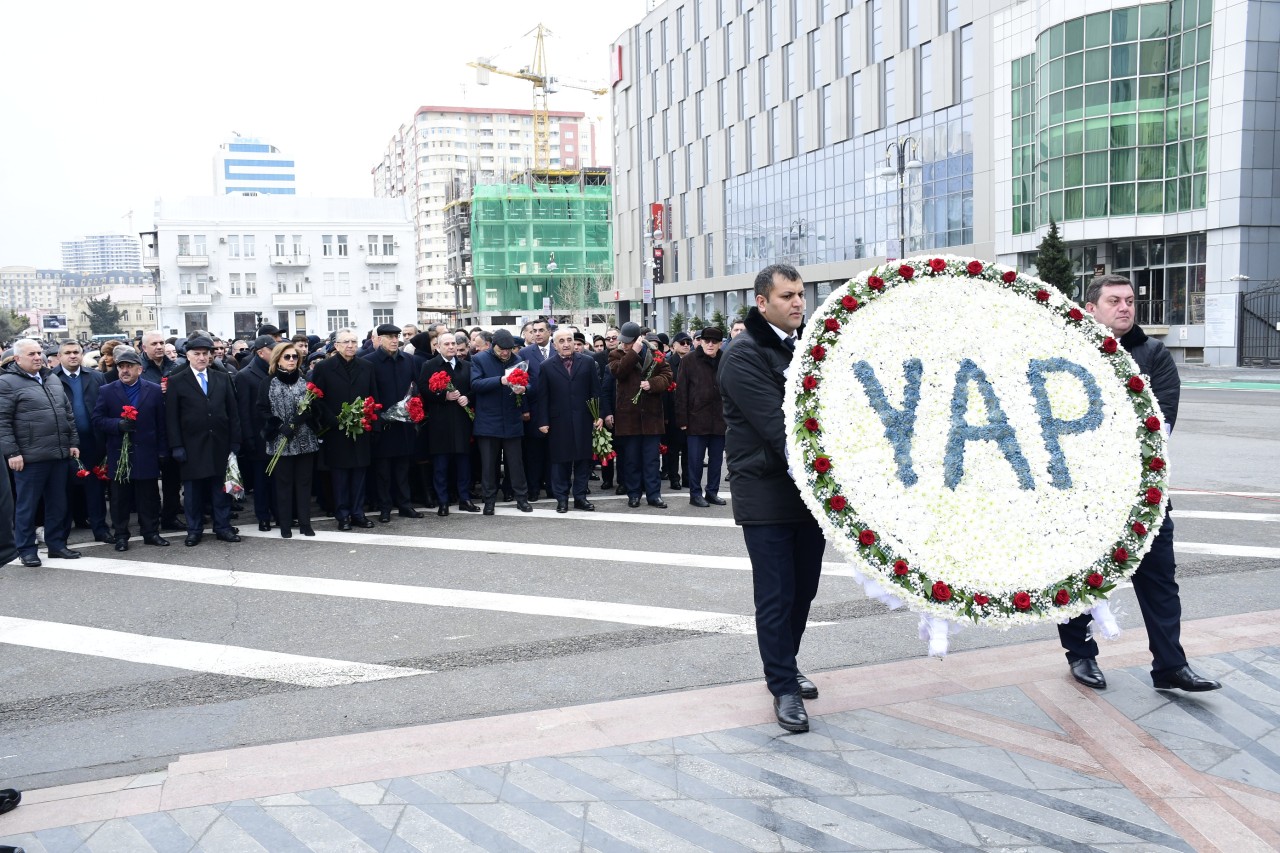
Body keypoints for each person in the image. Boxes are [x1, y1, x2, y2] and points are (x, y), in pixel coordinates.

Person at [1058, 274, 1221, 693]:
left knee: (1160, 579)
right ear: (1090, 309)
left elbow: (1161, 423)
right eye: (1114, 300)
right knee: (1080, 575)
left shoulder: (1154, 354)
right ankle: (1081, 656)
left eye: (1130, 300)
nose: (1125, 307)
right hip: (1082, 491)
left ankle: (1171, 665)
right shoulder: (1065, 352)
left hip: (1143, 493)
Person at [719, 264, 825, 733]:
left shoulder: (805, 347)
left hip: (809, 492)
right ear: (762, 303)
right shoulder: (743, 355)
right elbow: (778, 427)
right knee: (777, 592)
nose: (798, 303)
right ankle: (781, 685)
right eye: (787, 296)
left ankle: (787, 661)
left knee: (804, 588)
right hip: (765, 489)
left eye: (801, 294)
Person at [0, 339, 83, 566]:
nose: (38, 357)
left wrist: (72, 442)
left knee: (58, 504)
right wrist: (12, 452)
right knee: (28, 506)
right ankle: (26, 549)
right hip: (29, 458)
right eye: (32, 354)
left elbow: (67, 414)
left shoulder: (52, 378)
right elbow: (2, 421)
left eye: (39, 353)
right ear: (17, 359)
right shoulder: (6, 383)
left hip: (58, 454)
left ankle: (57, 545)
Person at [165, 336, 242, 546]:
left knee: (221, 489)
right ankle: (194, 529)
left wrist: (235, 441)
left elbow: (232, 412)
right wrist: (176, 445)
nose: (202, 357)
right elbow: (171, 417)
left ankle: (223, 527)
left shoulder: (221, 378)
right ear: (188, 356)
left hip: (220, 443)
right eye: (197, 354)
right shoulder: (177, 380)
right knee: (193, 492)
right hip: (191, 446)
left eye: (205, 354)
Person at [90, 347, 169, 550]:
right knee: (119, 498)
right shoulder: (107, 391)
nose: (124, 371)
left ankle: (151, 532)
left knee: (149, 496)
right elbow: (97, 420)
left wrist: (162, 451)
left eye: (129, 367)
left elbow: (162, 423)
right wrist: (117, 425)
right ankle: (121, 535)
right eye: (121, 367)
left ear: (139, 369)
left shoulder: (152, 390)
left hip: (147, 452)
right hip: (119, 453)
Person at [310, 328, 377, 529]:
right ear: (337, 346)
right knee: (339, 475)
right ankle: (343, 515)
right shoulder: (324, 368)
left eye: (353, 342)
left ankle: (358, 513)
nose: (350, 345)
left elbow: (373, 396)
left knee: (359, 473)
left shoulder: (367, 366)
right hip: (336, 429)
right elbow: (316, 398)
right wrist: (332, 420)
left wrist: (368, 418)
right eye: (346, 342)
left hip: (360, 428)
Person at [535, 327, 607, 512]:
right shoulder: (546, 366)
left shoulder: (588, 362)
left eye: (569, 340)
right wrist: (543, 421)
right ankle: (562, 499)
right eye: (562, 341)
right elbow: (542, 397)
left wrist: (598, 415)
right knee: (560, 462)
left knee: (583, 460)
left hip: (583, 419)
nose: (566, 344)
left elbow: (596, 391)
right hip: (558, 421)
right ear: (555, 345)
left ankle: (581, 497)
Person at [258, 342, 320, 538]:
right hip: (280, 440)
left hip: (304, 439)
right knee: (283, 484)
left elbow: (314, 406)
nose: (292, 360)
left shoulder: (304, 381)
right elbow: (261, 409)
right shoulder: (268, 382)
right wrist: (278, 425)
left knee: (304, 484)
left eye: (295, 357)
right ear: (278, 359)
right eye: (287, 357)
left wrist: (305, 415)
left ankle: (305, 523)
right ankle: (285, 525)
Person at [609, 322, 673, 509]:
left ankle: (654, 495)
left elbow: (668, 375)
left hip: (651, 417)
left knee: (652, 460)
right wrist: (633, 352)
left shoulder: (655, 354)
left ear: (638, 338)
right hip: (629, 418)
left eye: (629, 342)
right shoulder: (615, 354)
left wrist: (652, 384)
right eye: (624, 341)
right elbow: (619, 372)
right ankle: (634, 494)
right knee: (631, 460)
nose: (625, 344)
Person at [54, 339, 111, 543]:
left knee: (95, 488)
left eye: (76, 352)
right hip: (63, 444)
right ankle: (61, 536)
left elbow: (106, 406)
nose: (72, 356)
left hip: (92, 442)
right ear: (59, 356)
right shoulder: (51, 379)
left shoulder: (97, 377)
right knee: (63, 490)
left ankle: (101, 529)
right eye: (67, 352)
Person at [365, 323, 423, 522]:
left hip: (404, 424)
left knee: (403, 468)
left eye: (396, 336)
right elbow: (368, 394)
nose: (394, 340)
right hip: (382, 424)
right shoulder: (369, 361)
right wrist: (378, 418)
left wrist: (413, 406)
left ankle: (405, 505)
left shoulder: (408, 359)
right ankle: (385, 508)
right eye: (389, 337)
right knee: (383, 472)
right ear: (379, 339)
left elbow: (416, 387)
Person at [471, 329, 532, 515]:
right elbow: (475, 385)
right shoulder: (480, 359)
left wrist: (524, 388)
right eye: (501, 349)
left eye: (509, 349)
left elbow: (530, 383)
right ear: (491, 345)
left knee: (516, 464)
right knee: (489, 466)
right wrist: (500, 380)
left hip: (512, 420)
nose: (506, 353)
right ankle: (489, 501)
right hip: (489, 422)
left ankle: (522, 498)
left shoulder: (517, 361)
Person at [418, 333, 479, 515]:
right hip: (440, 422)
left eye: (453, 343)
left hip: (461, 421)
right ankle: (443, 501)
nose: (451, 347)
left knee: (463, 464)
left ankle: (464, 499)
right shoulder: (429, 366)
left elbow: (475, 388)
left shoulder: (467, 365)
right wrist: (443, 396)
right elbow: (423, 390)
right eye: (447, 344)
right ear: (438, 347)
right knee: (441, 465)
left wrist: (467, 398)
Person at [675, 327, 727, 507]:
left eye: (714, 341)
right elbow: (681, 391)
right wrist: (682, 419)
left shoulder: (725, 359)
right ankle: (695, 493)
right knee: (695, 461)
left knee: (716, 460)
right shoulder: (689, 360)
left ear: (720, 343)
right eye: (707, 341)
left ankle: (712, 492)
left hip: (719, 419)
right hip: (696, 419)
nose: (710, 344)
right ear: (701, 342)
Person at [235, 335, 279, 531]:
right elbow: (243, 410)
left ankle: (280, 513)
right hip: (258, 436)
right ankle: (263, 516)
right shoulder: (245, 375)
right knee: (261, 480)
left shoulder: (279, 370)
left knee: (279, 478)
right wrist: (248, 438)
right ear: (261, 352)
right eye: (272, 350)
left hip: (278, 433)